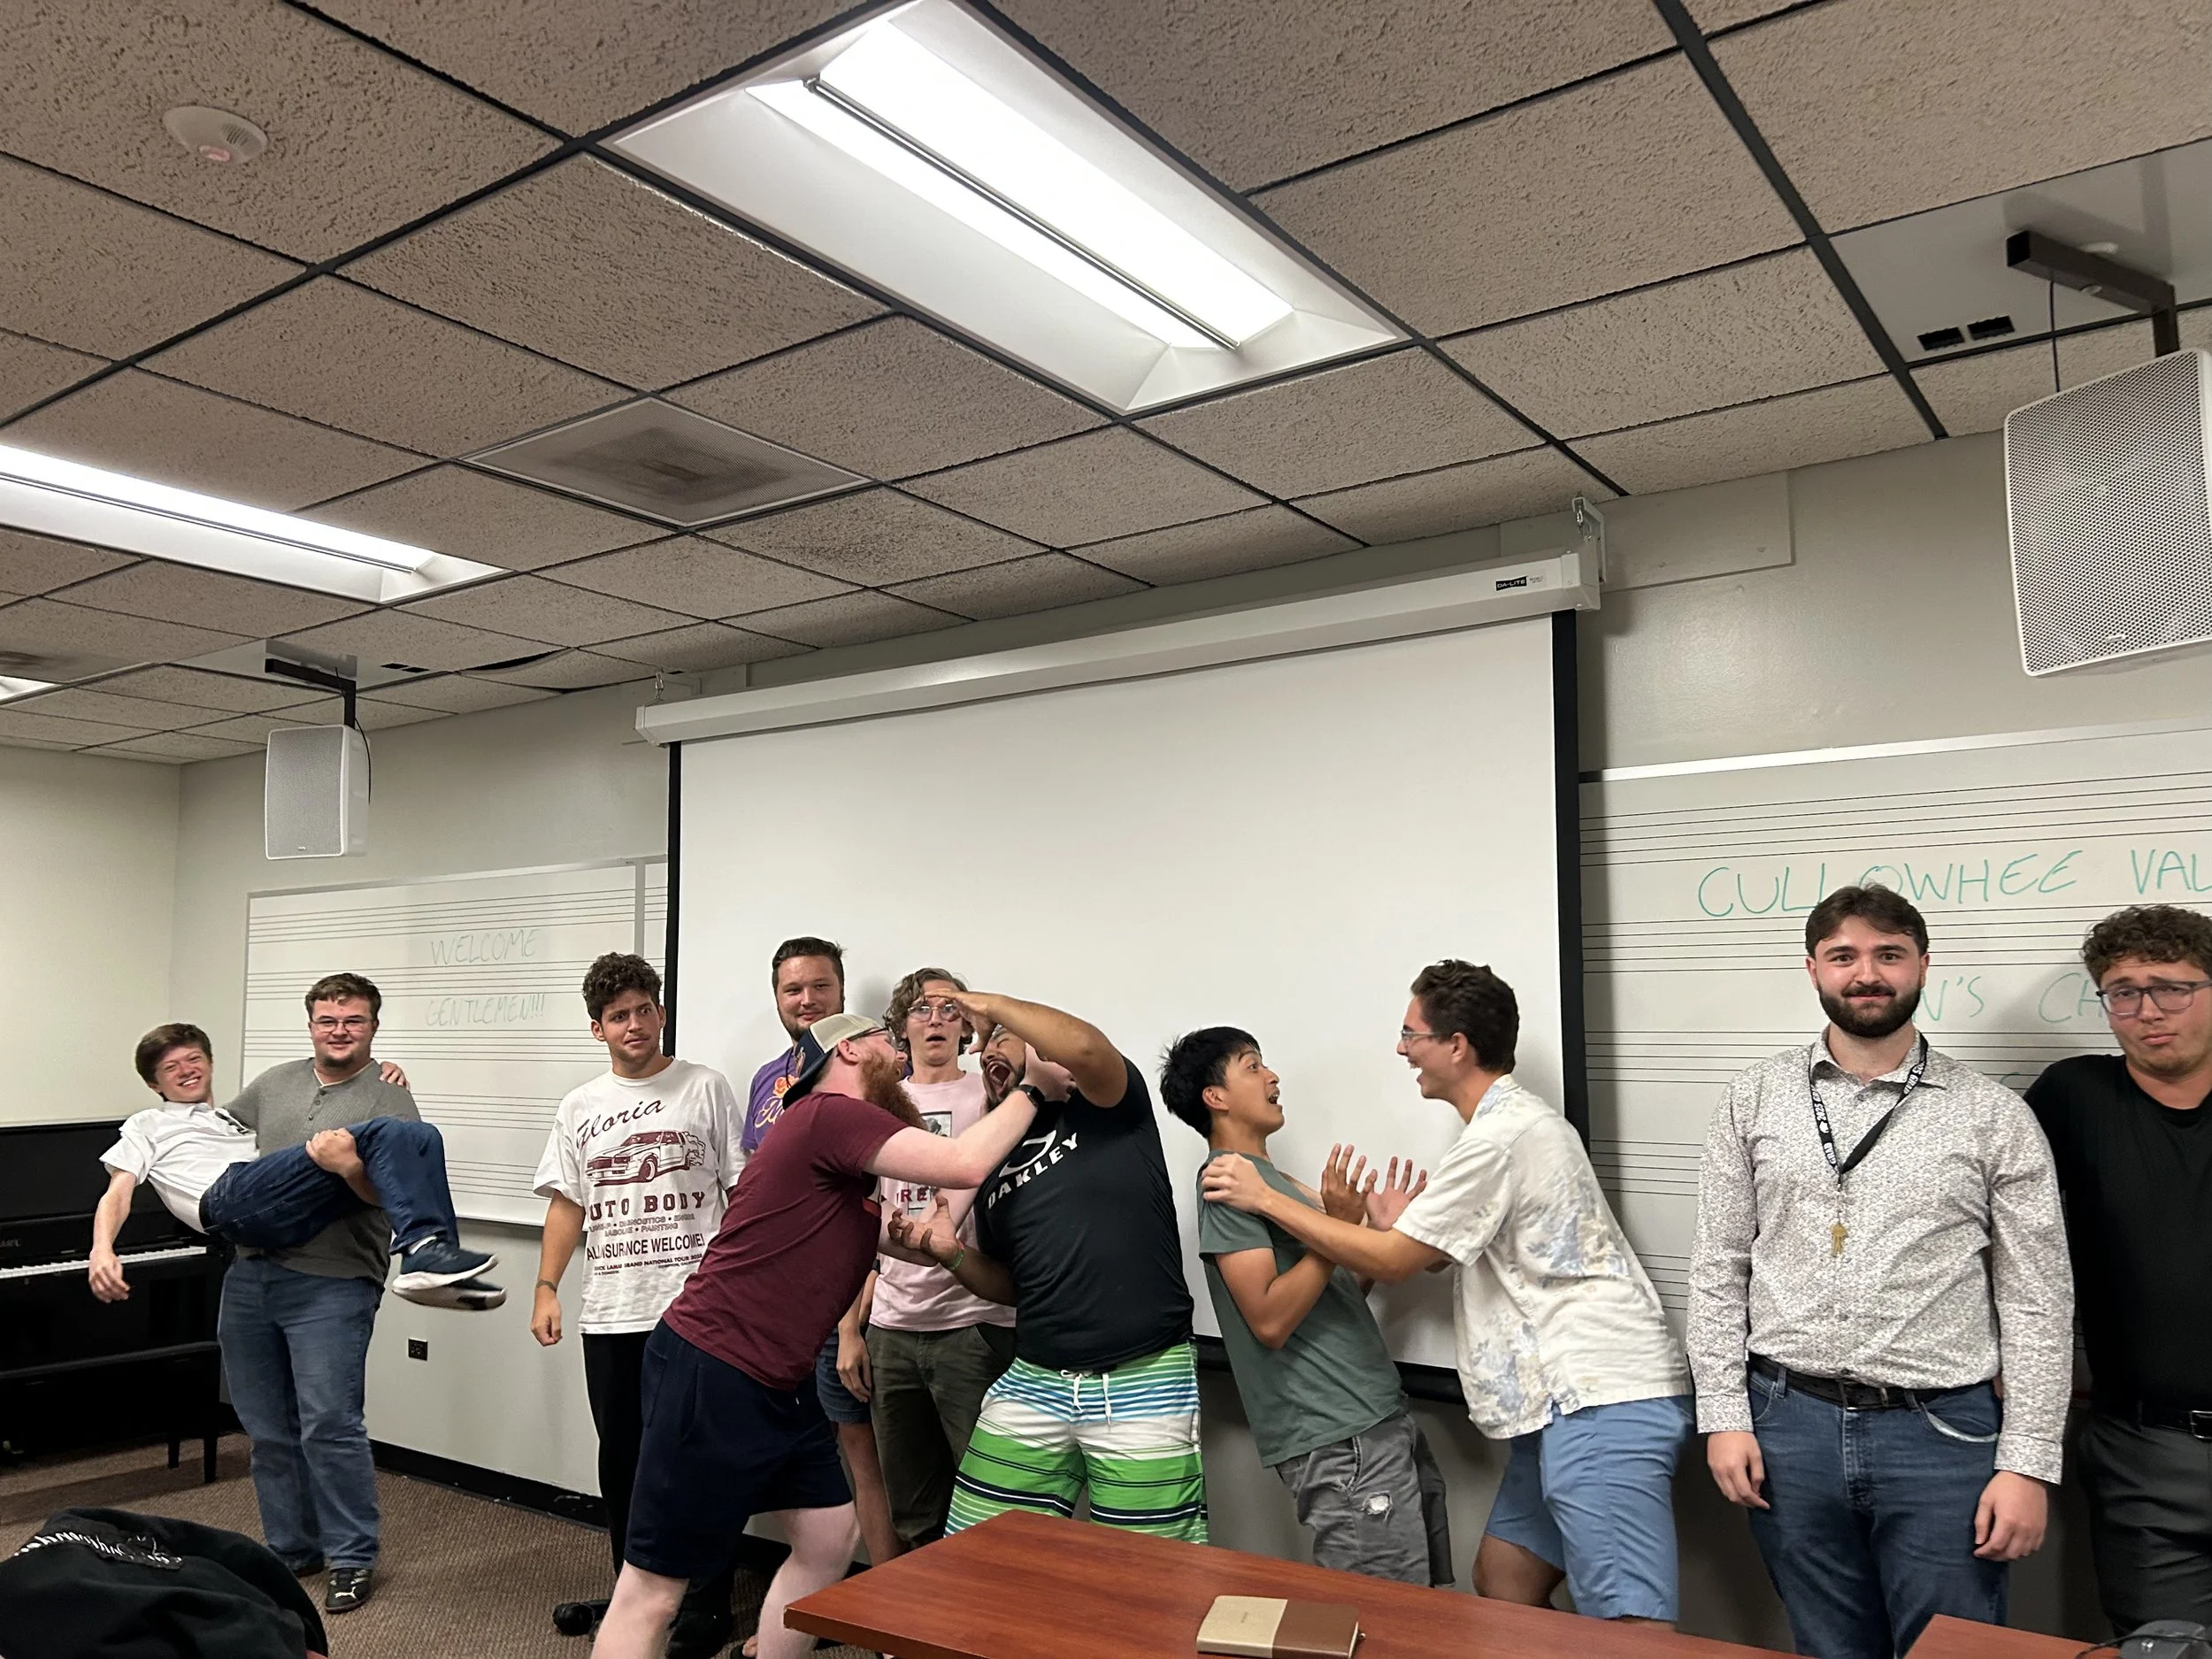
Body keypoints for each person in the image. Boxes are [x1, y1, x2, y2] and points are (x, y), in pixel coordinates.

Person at [1201, 960, 1694, 1625]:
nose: (1401, 1049)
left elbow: (1396, 1262)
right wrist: (1395, 1231)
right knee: (1505, 1576)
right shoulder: (1495, 1133)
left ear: (1456, 1045)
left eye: (1412, 1034)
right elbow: (1422, 1256)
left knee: (1630, 1624)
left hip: (1597, 1395)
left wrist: (1270, 1200)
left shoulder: (1501, 1137)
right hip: (1551, 1406)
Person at [1688, 885, 2073, 1659]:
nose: (1867, 973)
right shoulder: (1753, 1098)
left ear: (1922, 965)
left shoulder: (1994, 1115)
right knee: (1828, 1646)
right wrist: (1724, 1415)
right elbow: (1719, 1266)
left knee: (1953, 1652)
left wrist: (2028, 1463)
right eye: (1844, 956)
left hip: (1942, 1434)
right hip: (1786, 1425)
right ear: (1813, 969)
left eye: (1889, 954)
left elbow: (2038, 1299)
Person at [591, 1008, 1047, 1659]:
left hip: (779, 1381)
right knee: (654, 1590)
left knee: (830, 1536)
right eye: (888, 1042)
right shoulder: (830, 1113)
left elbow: (899, 1240)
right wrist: (1035, 1089)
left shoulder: (840, 1162)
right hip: (714, 1366)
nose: (901, 1054)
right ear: (851, 1051)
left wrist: (932, 1242)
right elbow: (964, 1163)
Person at [887, 993, 1207, 1546]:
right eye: (983, 1043)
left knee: (1149, 1570)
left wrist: (983, 1003)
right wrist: (952, 1255)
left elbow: (1085, 1046)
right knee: (980, 1551)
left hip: (1141, 1373)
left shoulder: (1106, 1106)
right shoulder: (991, 1164)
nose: (985, 1049)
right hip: (1035, 1377)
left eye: (1000, 1037)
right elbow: (1014, 1285)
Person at [1163, 1025, 1451, 1586]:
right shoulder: (1229, 1185)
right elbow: (1270, 1320)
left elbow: (1332, 1296)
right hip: (1337, 1437)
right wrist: (1337, 1229)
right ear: (1215, 1097)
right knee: (1384, 1615)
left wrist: (1370, 1245)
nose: (1272, 1076)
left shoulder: (1277, 1185)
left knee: (1423, 1608)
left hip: (1375, 1420)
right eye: (1252, 1066)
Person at [531, 954, 744, 1655]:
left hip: (695, 1310)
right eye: (618, 1015)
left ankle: (708, 1599)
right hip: (611, 1310)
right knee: (623, 1457)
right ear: (598, 1028)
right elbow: (568, 1203)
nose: (634, 1024)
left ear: (660, 1012)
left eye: (643, 1009)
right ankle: (635, 1589)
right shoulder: (579, 1106)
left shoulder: (705, 1087)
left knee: (699, 1455)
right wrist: (546, 1287)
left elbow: (740, 1191)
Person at [204, 972, 428, 1615]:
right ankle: (291, 1549)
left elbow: (394, 1197)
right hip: (250, 1274)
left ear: (374, 1027)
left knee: (330, 1424)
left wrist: (350, 1167)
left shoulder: (390, 1101)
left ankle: (351, 1556)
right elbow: (210, 1140)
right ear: (310, 1025)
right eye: (327, 1020)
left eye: (353, 1020)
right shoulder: (273, 1082)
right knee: (267, 1427)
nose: (339, 1031)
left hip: (333, 1279)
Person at [2026, 903, 2212, 1632]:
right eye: (2124, 991)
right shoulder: (2074, 1097)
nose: (2148, 1010)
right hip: (2145, 1454)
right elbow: (1990, 1227)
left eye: (2173, 988)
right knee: (2158, 1646)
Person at [92, 1024, 498, 1310]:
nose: (186, 1071)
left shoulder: (232, 1117)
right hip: (226, 1201)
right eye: (171, 1068)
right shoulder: (148, 1123)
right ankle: (424, 1252)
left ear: (210, 1063)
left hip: (277, 1218)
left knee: (420, 1136)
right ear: (154, 1084)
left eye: (193, 1059)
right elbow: (117, 1192)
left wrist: (375, 1073)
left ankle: (432, 1260)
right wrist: (102, 1250)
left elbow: (302, 1105)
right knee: (387, 1131)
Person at [740, 936, 898, 1576]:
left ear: (842, 992)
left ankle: (886, 1604)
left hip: (843, 1305)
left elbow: (877, 1205)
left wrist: (850, 1323)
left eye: (820, 986)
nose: (806, 999)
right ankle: (807, 1599)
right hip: (774, 1312)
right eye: (793, 989)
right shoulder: (766, 1080)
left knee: (864, 1460)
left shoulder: (872, 1075)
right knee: (794, 1462)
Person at [849, 968, 1016, 1552]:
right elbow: (853, 1217)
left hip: (974, 1326)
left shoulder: (991, 1094)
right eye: (922, 1008)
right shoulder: (874, 1102)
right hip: (892, 1329)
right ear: (901, 1026)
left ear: (968, 1027)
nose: (937, 1019)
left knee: (992, 1510)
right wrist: (849, 1330)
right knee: (914, 1512)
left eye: (950, 1009)